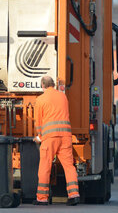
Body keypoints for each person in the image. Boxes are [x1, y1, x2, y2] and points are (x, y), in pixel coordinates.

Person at [33, 76, 80, 206]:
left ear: (42, 85)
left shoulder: (40, 100)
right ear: (53, 84)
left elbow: (39, 122)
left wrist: (39, 136)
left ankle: (42, 198)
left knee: (45, 166)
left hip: (50, 138)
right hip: (65, 136)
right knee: (69, 166)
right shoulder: (63, 97)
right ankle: (74, 194)